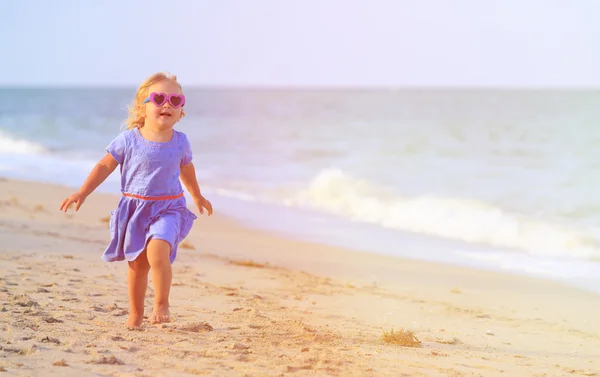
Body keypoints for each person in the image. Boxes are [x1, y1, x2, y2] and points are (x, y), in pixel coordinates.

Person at [59, 72, 213, 328]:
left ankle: (162, 302)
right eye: (160, 98)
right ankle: (135, 312)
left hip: (169, 208)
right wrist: (82, 192)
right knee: (138, 265)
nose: (167, 104)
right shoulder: (128, 140)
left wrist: (197, 195)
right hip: (135, 209)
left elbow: (187, 168)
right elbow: (104, 166)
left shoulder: (180, 142)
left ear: (181, 109)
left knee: (158, 250)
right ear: (142, 107)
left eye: (175, 100)